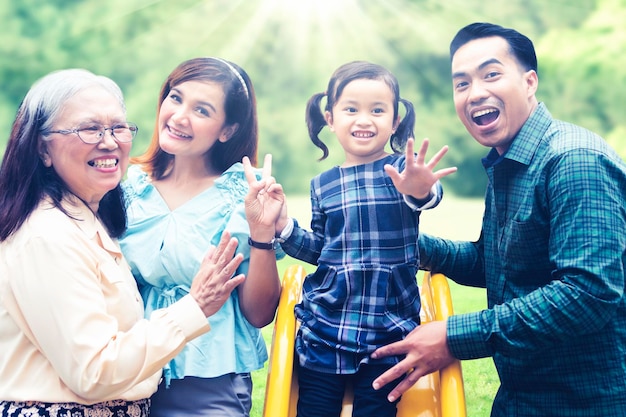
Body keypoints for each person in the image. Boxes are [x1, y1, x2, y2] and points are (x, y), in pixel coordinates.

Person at [372, 22, 626, 415]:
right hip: (519, 400)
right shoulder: (510, 163)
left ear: (529, 81)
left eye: (491, 74)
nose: (476, 93)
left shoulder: (574, 160)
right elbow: (495, 265)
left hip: (585, 402)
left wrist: (455, 337)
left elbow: (587, 294)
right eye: (461, 84)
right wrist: (407, 246)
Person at [0, 69, 247, 416]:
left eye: (118, 127)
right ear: (42, 148)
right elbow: (94, 370)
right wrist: (195, 305)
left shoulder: (89, 219)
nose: (109, 142)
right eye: (90, 129)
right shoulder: (46, 236)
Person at [272, 61, 457, 417]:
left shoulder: (402, 170)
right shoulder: (322, 185)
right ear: (330, 118)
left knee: (376, 411)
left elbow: (426, 195)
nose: (364, 119)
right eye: (351, 109)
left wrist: (421, 191)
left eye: (377, 110)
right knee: (313, 409)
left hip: (388, 330)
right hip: (328, 327)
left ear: (395, 120)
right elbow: (323, 251)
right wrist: (284, 228)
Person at [118, 57, 284, 417]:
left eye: (202, 110)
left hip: (207, 378)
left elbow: (259, 314)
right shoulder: (130, 192)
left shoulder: (244, 195)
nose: (179, 116)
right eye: (175, 98)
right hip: (131, 371)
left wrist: (261, 233)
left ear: (227, 129)